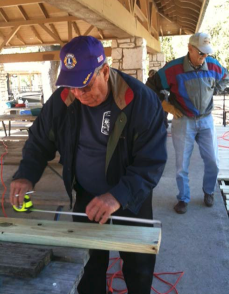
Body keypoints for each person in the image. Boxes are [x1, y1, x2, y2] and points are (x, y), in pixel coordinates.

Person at [10, 36, 167, 294]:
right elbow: (39, 141)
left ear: (104, 71)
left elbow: (151, 162)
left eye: (85, 85)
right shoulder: (64, 100)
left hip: (130, 196)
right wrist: (26, 174)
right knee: (87, 263)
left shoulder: (139, 100)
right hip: (86, 195)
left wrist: (118, 195)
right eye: (72, 86)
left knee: (139, 265)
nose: (79, 94)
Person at [146, 32, 229, 214]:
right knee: (182, 164)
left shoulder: (213, 65)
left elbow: (226, 77)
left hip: (206, 120)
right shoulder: (173, 69)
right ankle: (183, 198)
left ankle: (209, 191)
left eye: (207, 53)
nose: (204, 57)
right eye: (201, 53)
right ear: (190, 49)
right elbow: (150, 86)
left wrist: (216, 88)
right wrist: (164, 104)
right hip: (183, 121)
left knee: (213, 161)